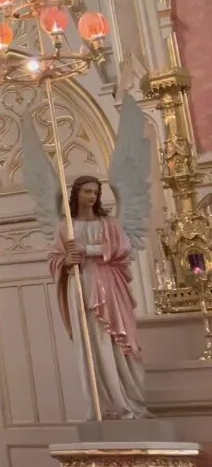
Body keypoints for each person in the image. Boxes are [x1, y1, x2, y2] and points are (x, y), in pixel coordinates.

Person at [48, 175, 149, 420]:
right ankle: (100, 405)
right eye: (87, 191)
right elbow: (54, 258)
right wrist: (65, 261)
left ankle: (126, 401)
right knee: (90, 343)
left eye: (95, 192)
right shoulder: (65, 228)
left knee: (114, 341)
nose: (92, 196)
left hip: (108, 286)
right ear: (76, 194)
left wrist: (88, 250)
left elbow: (123, 249)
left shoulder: (109, 224)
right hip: (80, 286)